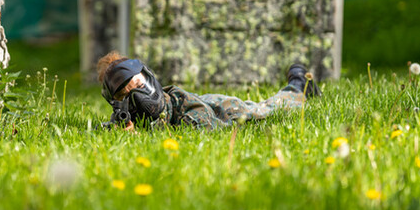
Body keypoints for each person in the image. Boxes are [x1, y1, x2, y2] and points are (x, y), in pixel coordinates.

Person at [97, 52, 322, 130]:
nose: (137, 97)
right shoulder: (125, 118)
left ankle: (298, 83)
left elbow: (202, 128)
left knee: (266, 109)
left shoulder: (181, 100)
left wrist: (145, 136)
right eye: (125, 96)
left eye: (138, 86)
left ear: (150, 79)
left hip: (221, 110)